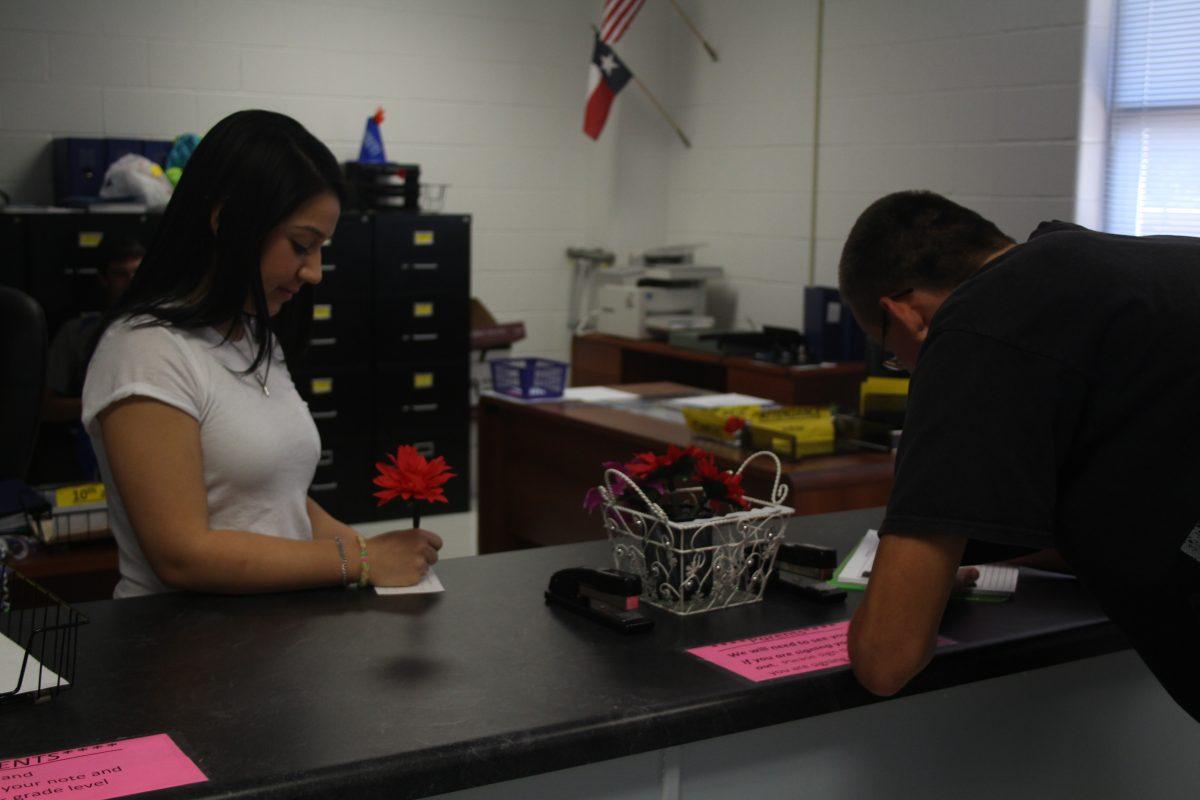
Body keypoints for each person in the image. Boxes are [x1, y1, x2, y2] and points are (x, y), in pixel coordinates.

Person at [837, 190, 1200, 723]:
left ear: (906, 313)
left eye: (892, 356)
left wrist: (913, 583)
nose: (908, 368)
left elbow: (887, 658)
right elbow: (1129, 499)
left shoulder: (973, 328)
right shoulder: (1122, 273)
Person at [82, 110, 442, 598]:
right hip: (184, 653)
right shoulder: (145, 350)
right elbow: (182, 555)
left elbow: (276, 500)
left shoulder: (252, 334)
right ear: (226, 220)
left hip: (271, 637)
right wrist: (359, 560)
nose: (314, 271)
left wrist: (373, 551)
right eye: (301, 245)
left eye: (321, 249)